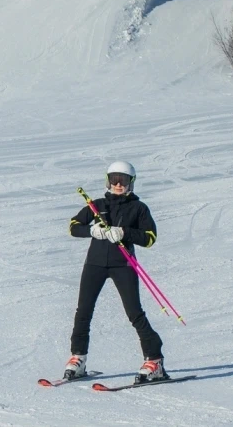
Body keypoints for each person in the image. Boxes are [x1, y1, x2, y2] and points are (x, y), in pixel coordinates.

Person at [63, 161, 166, 384]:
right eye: (114, 179)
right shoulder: (97, 205)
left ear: (132, 183)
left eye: (124, 180)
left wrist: (124, 232)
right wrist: (92, 230)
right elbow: (73, 226)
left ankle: (155, 360)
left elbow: (150, 237)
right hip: (95, 264)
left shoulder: (139, 208)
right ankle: (78, 357)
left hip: (124, 265)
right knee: (84, 311)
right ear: (107, 181)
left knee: (134, 312)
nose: (119, 184)